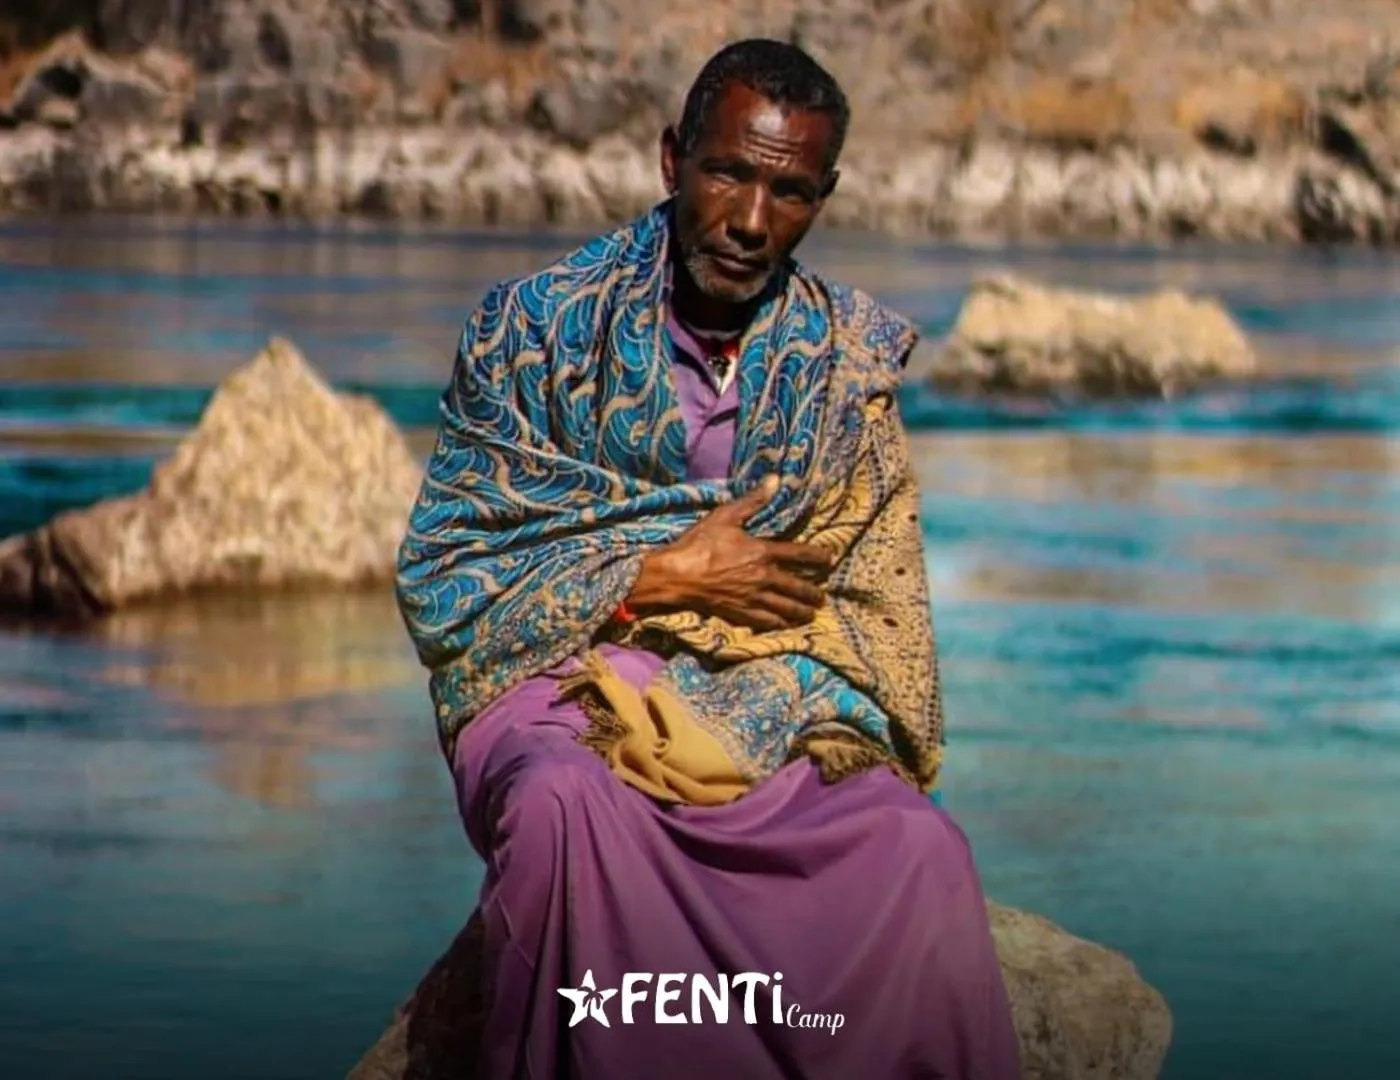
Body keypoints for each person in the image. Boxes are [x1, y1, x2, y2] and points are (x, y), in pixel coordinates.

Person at [395, 37, 1022, 1080]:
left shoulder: (845, 367)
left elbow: (879, 617)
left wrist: (742, 699)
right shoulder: (533, 328)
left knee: (919, 850)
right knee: (562, 808)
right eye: (727, 172)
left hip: (762, 698)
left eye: (787, 190)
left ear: (823, 197)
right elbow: (443, 579)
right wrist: (657, 578)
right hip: (551, 683)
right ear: (670, 159)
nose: (747, 220)